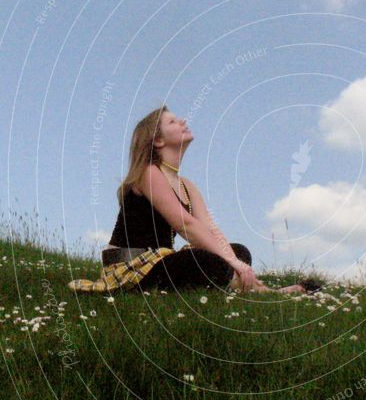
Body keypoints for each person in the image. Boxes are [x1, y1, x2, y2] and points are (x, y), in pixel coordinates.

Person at [67, 104, 320, 295]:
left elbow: (209, 228)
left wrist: (234, 258)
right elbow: (185, 225)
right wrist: (230, 262)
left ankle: (245, 284)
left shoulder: (187, 186)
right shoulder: (148, 173)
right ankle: (264, 292)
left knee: (238, 250)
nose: (183, 121)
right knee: (212, 261)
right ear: (158, 140)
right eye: (173, 121)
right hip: (132, 267)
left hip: (162, 260)